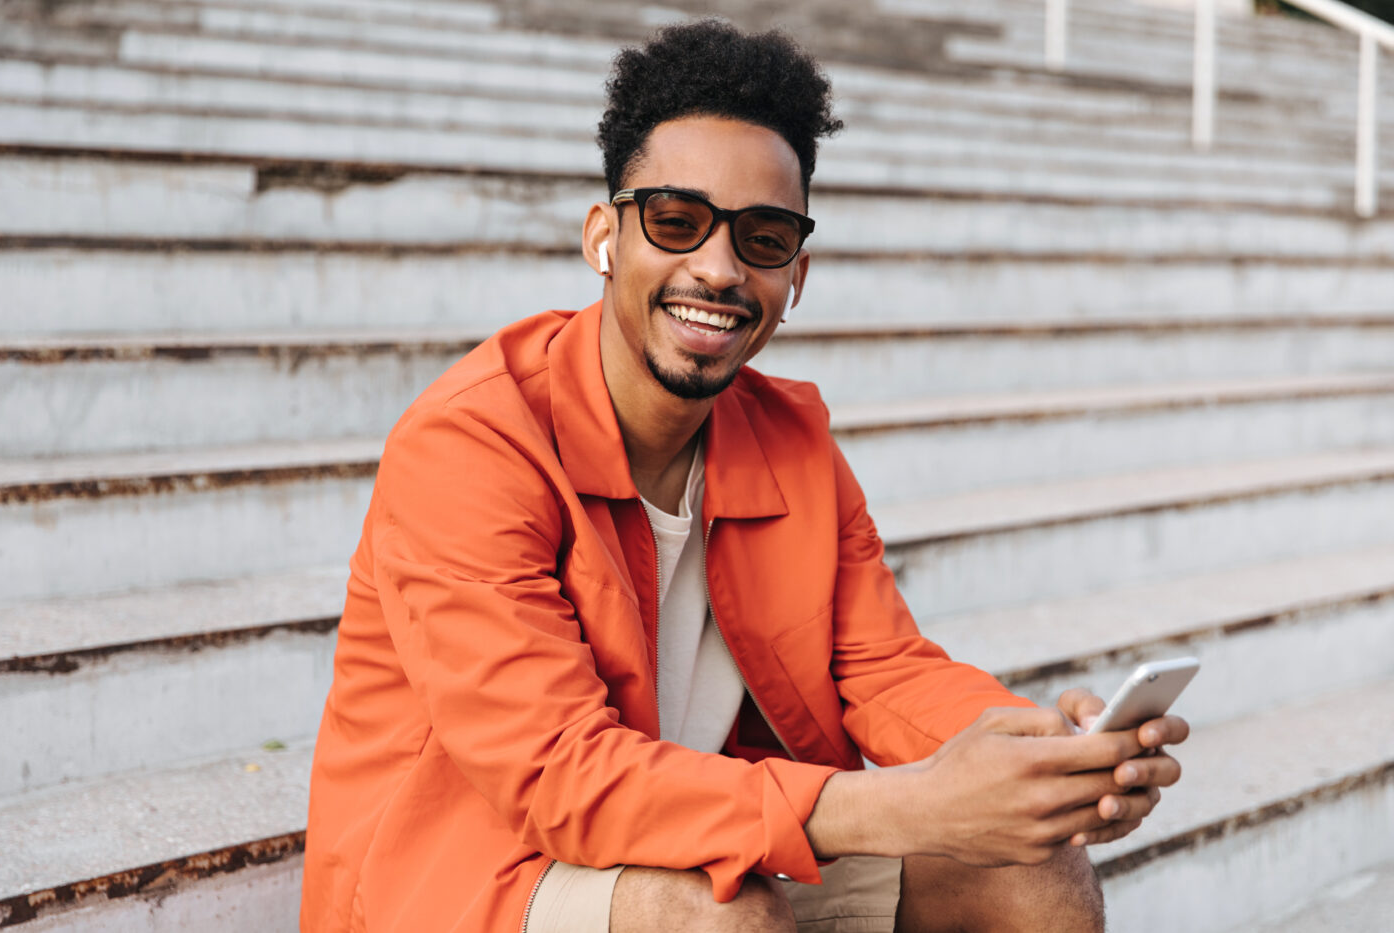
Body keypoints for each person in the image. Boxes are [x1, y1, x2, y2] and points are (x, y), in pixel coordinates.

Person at [301, 20, 1187, 933]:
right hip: (471, 873)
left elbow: (882, 671)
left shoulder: (790, 440)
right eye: (676, 222)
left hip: (696, 828)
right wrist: (910, 805)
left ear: (796, 275)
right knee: (718, 919)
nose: (717, 269)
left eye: (762, 238)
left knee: (1034, 877)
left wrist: (1041, 754)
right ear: (604, 236)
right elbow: (559, 774)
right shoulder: (472, 445)